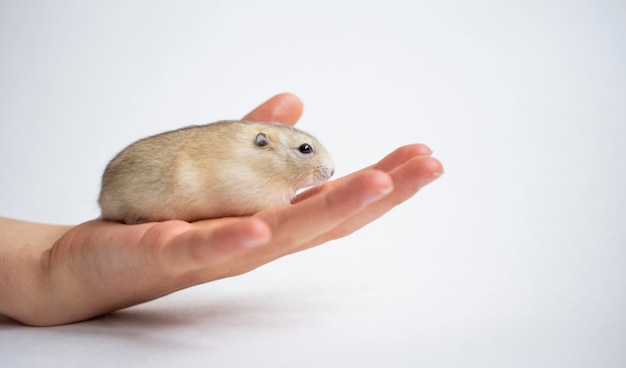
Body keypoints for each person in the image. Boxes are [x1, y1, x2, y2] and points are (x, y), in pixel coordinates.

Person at [0, 93, 443, 326]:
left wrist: (47, 270)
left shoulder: (245, 154)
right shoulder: (243, 160)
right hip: (128, 194)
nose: (323, 167)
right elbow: (238, 192)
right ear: (263, 145)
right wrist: (48, 269)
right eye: (307, 152)